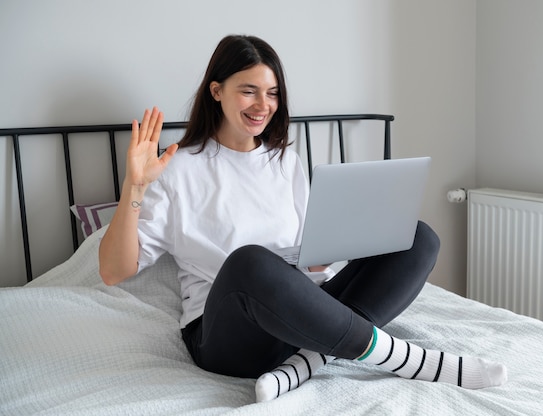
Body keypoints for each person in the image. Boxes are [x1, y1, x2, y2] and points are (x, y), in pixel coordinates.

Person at [99, 34, 507, 403]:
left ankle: (307, 361)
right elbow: (114, 271)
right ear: (216, 90)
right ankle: (404, 358)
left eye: (273, 93)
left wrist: (327, 253)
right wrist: (134, 187)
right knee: (252, 261)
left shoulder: (285, 162)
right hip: (229, 336)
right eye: (249, 91)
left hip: (303, 318)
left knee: (417, 237)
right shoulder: (176, 168)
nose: (264, 106)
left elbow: (312, 258)